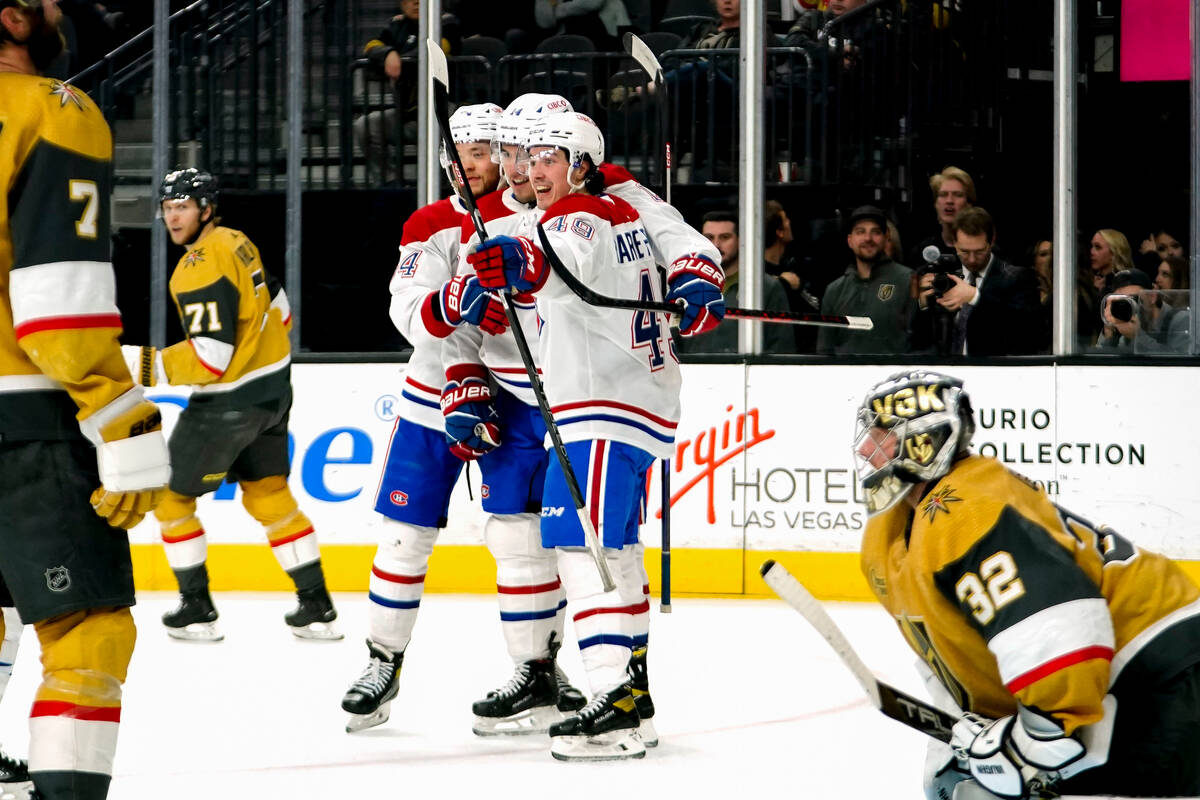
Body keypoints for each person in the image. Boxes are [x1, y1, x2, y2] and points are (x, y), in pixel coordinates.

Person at [444, 94, 720, 746]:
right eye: (526, 156)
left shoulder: (579, 213)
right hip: (638, 404)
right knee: (617, 552)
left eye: (548, 158)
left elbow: (552, 259)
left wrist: (516, 262)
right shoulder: (622, 209)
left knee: (582, 551)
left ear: (583, 163)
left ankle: (611, 696)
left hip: (598, 407)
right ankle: (634, 692)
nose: (532, 170)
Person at [340, 102, 589, 735]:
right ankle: (382, 660)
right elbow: (407, 311)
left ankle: (538, 666)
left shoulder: (534, 213)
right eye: (459, 154)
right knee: (404, 534)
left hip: (507, 401)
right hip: (429, 403)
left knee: (520, 538)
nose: (468, 166)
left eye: (483, 152)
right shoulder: (430, 222)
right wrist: (455, 308)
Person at [854, 370, 1200, 800]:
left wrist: (1040, 738)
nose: (867, 450)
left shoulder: (966, 509)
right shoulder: (891, 533)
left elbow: (1057, 625)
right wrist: (970, 729)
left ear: (923, 440)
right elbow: (946, 651)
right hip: (1124, 685)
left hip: (1162, 672)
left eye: (881, 436)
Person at [1, 2, 171, 796]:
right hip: (23, 417)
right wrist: (120, 415)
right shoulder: (51, 109)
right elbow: (57, 304)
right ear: (15, 19)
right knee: (87, 633)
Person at [122, 168, 340, 642]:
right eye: (167, 206)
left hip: (227, 405)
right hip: (273, 393)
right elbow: (280, 309)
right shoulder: (238, 240)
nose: (172, 215)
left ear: (206, 209)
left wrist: (139, 366)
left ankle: (196, 608)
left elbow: (211, 359)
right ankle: (316, 604)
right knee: (269, 496)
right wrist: (257, 352)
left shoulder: (199, 265)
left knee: (170, 498)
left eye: (182, 206)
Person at [910, 206, 1041, 356]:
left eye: (979, 251)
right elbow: (919, 340)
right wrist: (923, 305)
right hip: (948, 370)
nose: (971, 259)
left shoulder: (1017, 277)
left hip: (994, 371)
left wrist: (976, 296)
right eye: (964, 251)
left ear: (991, 241)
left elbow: (1029, 332)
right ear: (954, 242)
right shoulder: (945, 275)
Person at [675, 209, 794, 354]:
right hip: (693, 374)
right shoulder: (683, 287)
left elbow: (781, 347)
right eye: (709, 237)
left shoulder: (766, 287)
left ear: (740, 241)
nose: (716, 245)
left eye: (725, 237)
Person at [817, 205, 915, 355]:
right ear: (850, 240)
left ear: (886, 237)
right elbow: (824, 350)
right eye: (860, 232)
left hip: (894, 377)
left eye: (875, 232)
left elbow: (922, 346)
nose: (868, 238)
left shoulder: (908, 281)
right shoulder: (834, 290)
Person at [765, 200, 820, 352]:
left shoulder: (795, 267)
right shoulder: (754, 275)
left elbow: (816, 310)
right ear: (779, 231)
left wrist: (798, 287)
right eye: (786, 219)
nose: (790, 222)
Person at [1094, 268, 1189, 355]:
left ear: (1152, 296)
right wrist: (1109, 333)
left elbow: (1180, 363)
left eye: (1134, 299)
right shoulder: (1126, 323)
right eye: (1122, 301)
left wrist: (1138, 336)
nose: (1129, 306)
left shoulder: (1181, 320)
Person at [907, 166, 976, 271]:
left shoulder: (983, 251)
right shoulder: (921, 252)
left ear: (969, 204)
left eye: (957, 195)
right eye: (943, 195)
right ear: (935, 204)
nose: (949, 201)